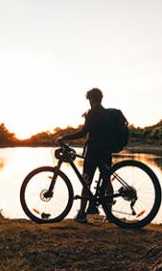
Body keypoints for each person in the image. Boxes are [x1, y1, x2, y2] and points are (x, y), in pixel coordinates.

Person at [59, 87, 126, 223]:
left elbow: (83, 133)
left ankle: (82, 214)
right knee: (106, 181)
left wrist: (64, 138)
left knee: (86, 182)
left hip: (93, 152)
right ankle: (110, 215)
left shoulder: (92, 113)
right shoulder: (107, 114)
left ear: (90, 99)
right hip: (106, 151)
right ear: (101, 98)